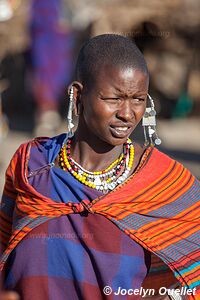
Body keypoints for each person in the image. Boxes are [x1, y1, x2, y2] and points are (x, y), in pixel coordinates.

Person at [0, 34, 199, 300]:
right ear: (78, 94)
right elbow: (4, 249)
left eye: (138, 99)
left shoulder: (163, 180)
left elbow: (191, 274)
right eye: (114, 98)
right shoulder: (32, 164)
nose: (127, 114)